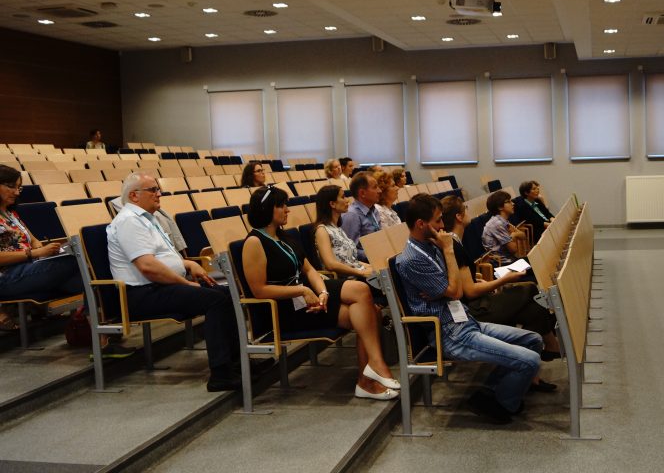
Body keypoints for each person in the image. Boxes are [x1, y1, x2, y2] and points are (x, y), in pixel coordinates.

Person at [396, 193, 542, 423]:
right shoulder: (412, 259)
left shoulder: (432, 244)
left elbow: (454, 288)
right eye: (437, 220)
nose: (442, 226)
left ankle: (490, 394)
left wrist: (445, 285)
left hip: (465, 321)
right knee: (530, 361)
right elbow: (456, 291)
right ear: (421, 224)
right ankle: (502, 404)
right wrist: (448, 254)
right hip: (450, 334)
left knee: (533, 340)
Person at [242, 186, 398, 400]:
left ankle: (370, 373)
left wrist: (323, 292)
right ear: (267, 209)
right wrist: (303, 290)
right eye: (282, 206)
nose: (287, 210)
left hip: (306, 298)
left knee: (365, 301)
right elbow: (259, 290)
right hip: (285, 309)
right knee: (369, 310)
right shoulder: (254, 242)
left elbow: (309, 270)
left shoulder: (283, 236)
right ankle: (369, 376)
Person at [106, 172, 240, 391]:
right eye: (152, 190)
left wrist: (188, 264)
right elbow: (147, 267)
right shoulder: (129, 221)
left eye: (158, 189)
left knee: (225, 293)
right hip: (142, 293)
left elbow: (161, 257)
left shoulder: (147, 219)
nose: (159, 194)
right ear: (134, 195)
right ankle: (222, 375)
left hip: (160, 286)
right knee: (215, 300)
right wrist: (184, 283)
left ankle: (238, 364)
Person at [441, 195, 561, 367]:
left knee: (532, 308)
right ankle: (538, 350)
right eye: (465, 209)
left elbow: (463, 280)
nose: (468, 212)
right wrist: (504, 280)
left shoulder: (455, 242)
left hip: (476, 301)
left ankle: (542, 353)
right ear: (459, 217)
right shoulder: (454, 246)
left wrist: (479, 279)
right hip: (474, 309)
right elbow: (470, 292)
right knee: (529, 290)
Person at [0, 164, 82, 331]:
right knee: (74, 261)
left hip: (30, 266)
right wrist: (34, 253)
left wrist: (45, 251)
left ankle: (98, 322)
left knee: (82, 271)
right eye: (11, 187)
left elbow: (34, 240)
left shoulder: (10, 213)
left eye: (18, 188)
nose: (16, 192)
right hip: (7, 276)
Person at [313, 185, 371, 280]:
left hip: (356, 274)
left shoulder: (338, 228)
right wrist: (360, 272)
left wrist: (370, 267)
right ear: (332, 204)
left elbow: (351, 261)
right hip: (344, 280)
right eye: (343, 197)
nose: (347, 200)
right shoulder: (322, 230)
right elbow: (330, 264)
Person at [341, 172, 382, 261]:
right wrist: (376, 254)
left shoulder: (374, 210)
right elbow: (350, 250)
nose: (380, 191)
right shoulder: (351, 215)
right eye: (375, 187)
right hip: (367, 262)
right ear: (362, 193)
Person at [481, 190, 526, 266]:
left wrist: (514, 234)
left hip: (509, 259)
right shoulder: (497, 224)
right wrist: (514, 234)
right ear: (500, 207)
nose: (513, 203)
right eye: (508, 202)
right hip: (503, 264)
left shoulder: (502, 220)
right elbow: (514, 249)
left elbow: (523, 236)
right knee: (535, 266)